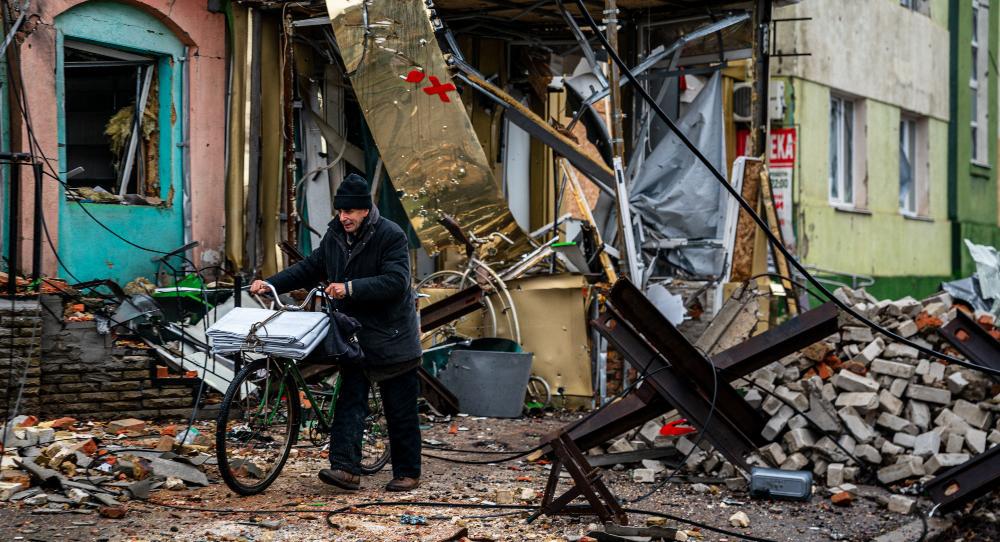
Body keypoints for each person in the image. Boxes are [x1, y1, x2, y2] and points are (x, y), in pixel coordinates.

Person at [250, 173, 423, 492]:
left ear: (366, 210)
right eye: (340, 211)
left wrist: (350, 288)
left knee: (399, 408)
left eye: (350, 211)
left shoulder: (390, 235)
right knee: (350, 400)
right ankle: (345, 469)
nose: (344, 217)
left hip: (392, 336)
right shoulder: (335, 236)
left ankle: (408, 472)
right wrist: (271, 283)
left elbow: (397, 281)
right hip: (355, 336)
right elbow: (309, 268)